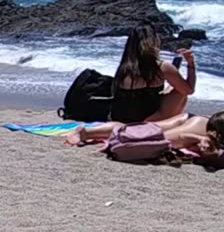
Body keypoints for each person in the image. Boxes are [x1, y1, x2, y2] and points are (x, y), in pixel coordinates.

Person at [109, 24, 196, 124]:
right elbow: (189, 90)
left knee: (170, 88)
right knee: (181, 93)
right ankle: (166, 125)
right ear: (153, 41)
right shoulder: (162, 67)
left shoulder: (125, 67)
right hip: (145, 120)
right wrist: (190, 63)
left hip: (119, 117)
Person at [65, 111, 224, 155]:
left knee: (143, 130)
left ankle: (88, 131)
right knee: (146, 136)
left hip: (203, 120)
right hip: (207, 126)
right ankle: (86, 132)